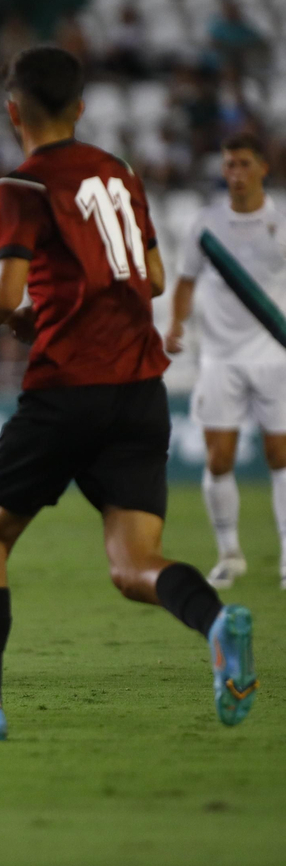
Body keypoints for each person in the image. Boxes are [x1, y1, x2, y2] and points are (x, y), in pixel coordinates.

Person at [0, 45, 255, 740]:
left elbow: (2, 294)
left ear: (12, 111)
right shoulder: (120, 173)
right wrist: (51, 303)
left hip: (68, 389)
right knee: (134, 565)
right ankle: (216, 620)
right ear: (79, 107)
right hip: (141, 391)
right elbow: (151, 279)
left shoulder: (21, 186)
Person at [165, 133, 286, 590]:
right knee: (219, 458)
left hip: (274, 354)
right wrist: (176, 324)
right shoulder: (206, 224)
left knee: (281, 456)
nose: (236, 173)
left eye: (244, 164)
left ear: (262, 168)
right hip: (219, 358)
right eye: (229, 165)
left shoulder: (281, 222)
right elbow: (185, 281)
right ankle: (230, 554)